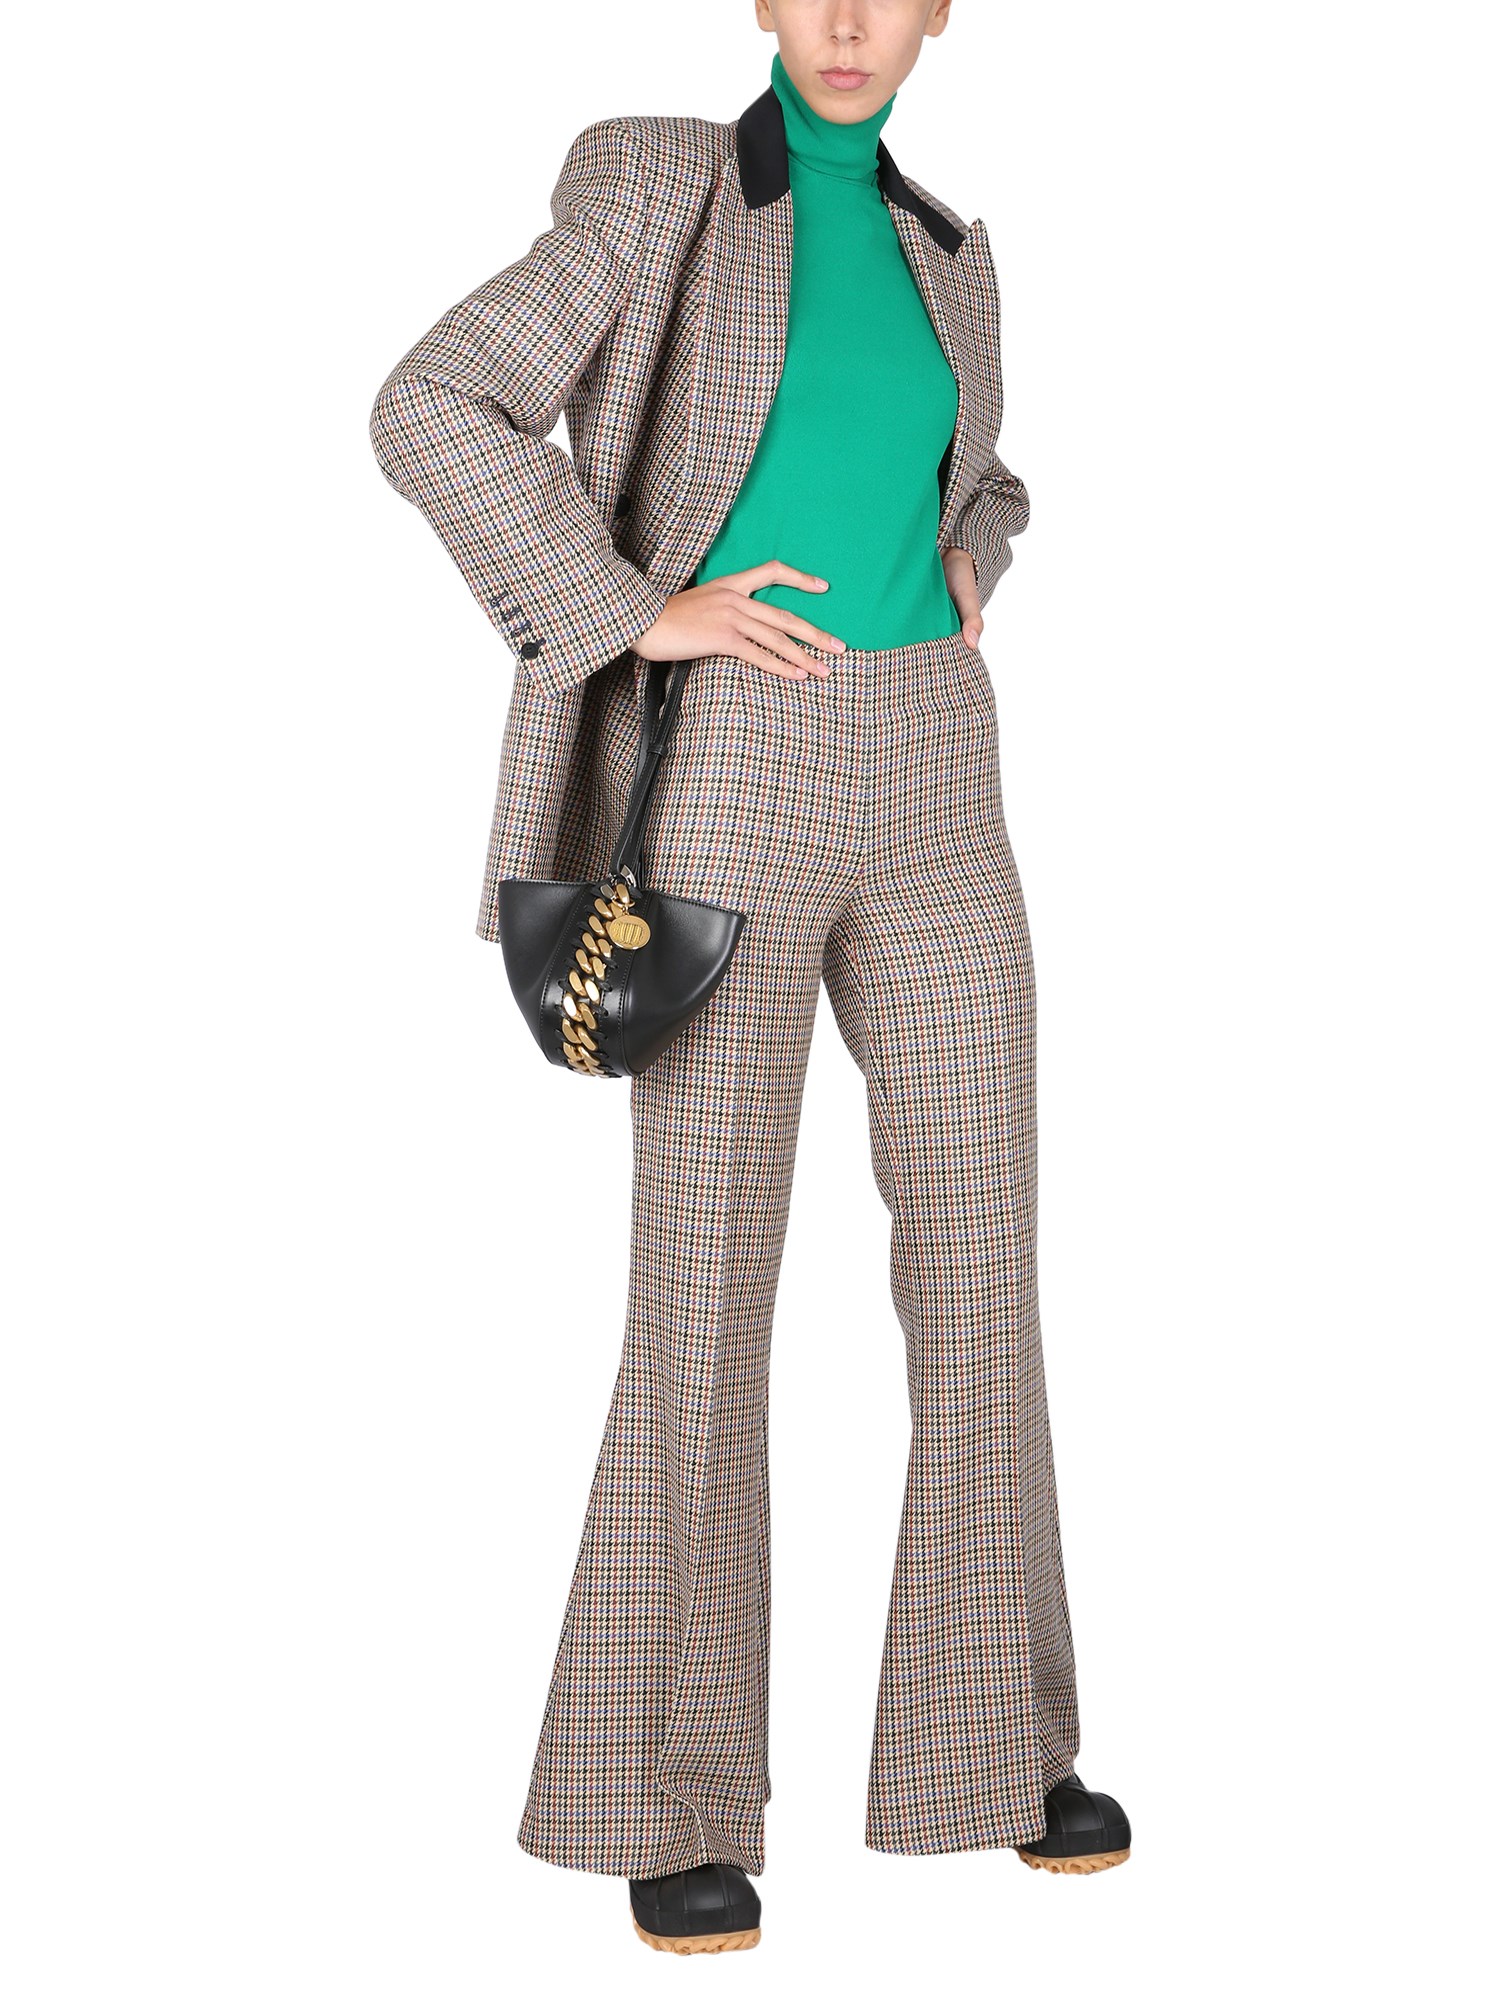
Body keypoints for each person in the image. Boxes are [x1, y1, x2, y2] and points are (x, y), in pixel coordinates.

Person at [369, 0, 1130, 1954]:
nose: (851, 21)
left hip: (940, 765)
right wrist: (635, 614)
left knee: (981, 1261)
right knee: (706, 1274)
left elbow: (973, 474)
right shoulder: (661, 187)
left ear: (944, 8)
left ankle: (995, 1751)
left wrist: (980, 550)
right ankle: (663, 1792)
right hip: (732, 765)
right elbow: (435, 402)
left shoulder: (953, 252)